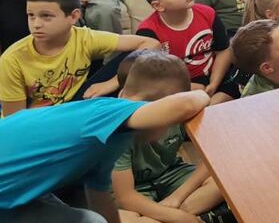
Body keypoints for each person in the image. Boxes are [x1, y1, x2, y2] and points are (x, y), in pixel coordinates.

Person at [0, 51, 211, 223]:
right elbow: (188, 103)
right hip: (9, 192)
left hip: (19, 192)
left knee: (94, 220)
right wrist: (203, 93)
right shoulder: (112, 112)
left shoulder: (108, 140)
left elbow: (100, 200)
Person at [0, 0, 160, 116]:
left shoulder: (84, 38)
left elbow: (151, 44)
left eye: (46, 16)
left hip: (76, 107)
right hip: (38, 122)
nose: (36, 24)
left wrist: (113, 82)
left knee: (138, 58)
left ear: (74, 16)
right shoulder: (12, 59)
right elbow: (14, 122)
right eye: (31, 15)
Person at [112, 52, 234, 223]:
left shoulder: (182, 110)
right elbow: (126, 197)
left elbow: (215, 154)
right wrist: (179, 217)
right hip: (135, 191)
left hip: (171, 174)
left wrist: (176, 198)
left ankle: (166, 216)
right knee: (124, 219)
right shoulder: (116, 133)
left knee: (228, 180)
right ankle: (180, 216)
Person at [136, 0, 239, 105]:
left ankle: (210, 104)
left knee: (240, 74)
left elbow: (223, 51)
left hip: (216, 75)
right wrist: (192, 88)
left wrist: (214, 83)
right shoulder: (148, 32)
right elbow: (155, 77)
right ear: (158, 6)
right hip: (181, 85)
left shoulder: (208, 13)